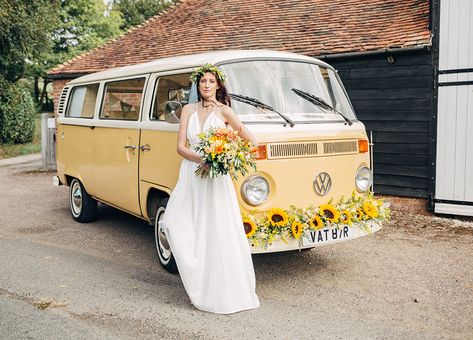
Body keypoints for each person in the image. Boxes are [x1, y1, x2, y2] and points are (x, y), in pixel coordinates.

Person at [162, 63, 260, 314]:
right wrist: (202, 160)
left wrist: (228, 159)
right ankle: (197, 279)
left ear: (218, 85)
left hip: (215, 180)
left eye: (211, 81)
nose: (206, 85)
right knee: (173, 222)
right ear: (198, 85)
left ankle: (218, 289)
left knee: (216, 229)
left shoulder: (225, 111)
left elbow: (251, 140)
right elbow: (180, 147)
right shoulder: (187, 110)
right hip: (192, 175)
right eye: (203, 81)